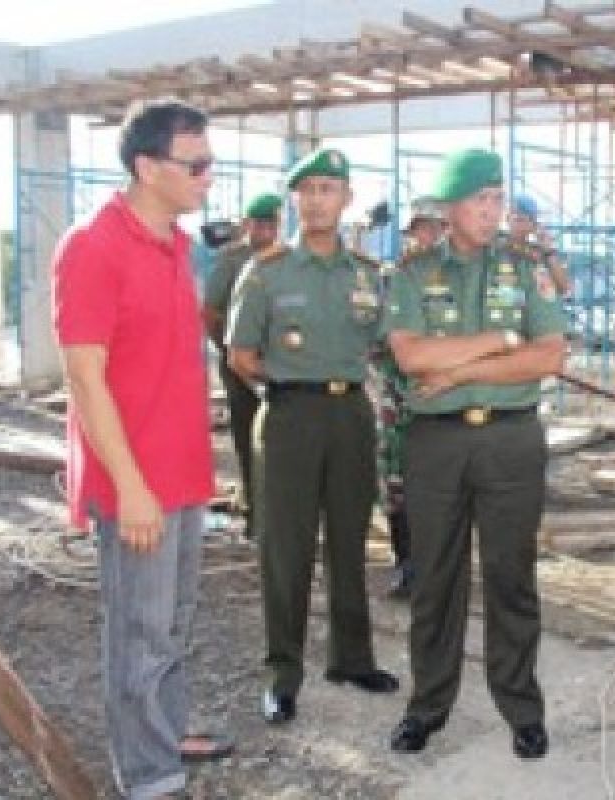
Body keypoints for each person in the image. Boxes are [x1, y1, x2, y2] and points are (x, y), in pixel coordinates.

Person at [52, 98, 233, 800]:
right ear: (147, 167)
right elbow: (83, 376)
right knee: (141, 630)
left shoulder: (176, 245)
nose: (208, 176)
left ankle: (167, 731)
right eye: (197, 164)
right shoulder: (94, 246)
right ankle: (150, 777)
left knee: (174, 621)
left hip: (181, 471)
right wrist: (129, 487)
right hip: (136, 479)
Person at [383, 149, 566, 758]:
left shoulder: (525, 268)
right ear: (450, 207)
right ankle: (427, 705)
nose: (491, 212)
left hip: (511, 438)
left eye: (497, 199)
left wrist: (459, 371)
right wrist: (498, 340)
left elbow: (549, 356)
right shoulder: (413, 273)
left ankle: (521, 707)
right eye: (479, 201)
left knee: (512, 576)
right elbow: (411, 356)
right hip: (435, 443)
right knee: (436, 577)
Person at [226, 147, 399, 726]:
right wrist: (288, 380)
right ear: (294, 200)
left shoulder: (367, 275)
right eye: (308, 190)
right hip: (289, 417)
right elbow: (240, 356)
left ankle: (352, 659)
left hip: (350, 415)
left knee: (350, 540)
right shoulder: (267, 271)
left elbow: (387, 344)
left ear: (347, 199)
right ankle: (282, 674)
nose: (319, 200)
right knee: (287, 548)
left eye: (329, 189)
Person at [374, 197, 446, 597]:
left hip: (448, 394)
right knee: (397, 482)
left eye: (435, 229)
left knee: (444, 483)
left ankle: (440, 564)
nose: (427, 237)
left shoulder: (460, 279)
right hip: (399, 397)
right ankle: (406, 562)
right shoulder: (388, 279)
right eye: (421, 229)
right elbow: (372, 337)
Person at [200, 191, 281, 538]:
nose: (267, 231)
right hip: (241, 366)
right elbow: (210, 313)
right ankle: (256, 517)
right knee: (249, 440)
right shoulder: (233, 261)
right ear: (247, 225)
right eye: (260, 224)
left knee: (281, 441)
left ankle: (279, 515)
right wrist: (229, 348)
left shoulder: (286, 259)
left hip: (278, 365)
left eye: (272, 224)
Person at [507, 192, 572, 296]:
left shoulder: (543, 254)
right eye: (516, 220)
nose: (519, 226)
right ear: (508, 220)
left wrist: (548, 250)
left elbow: (565, 289)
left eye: (523, 220)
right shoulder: (498, 246)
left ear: (533, 225)